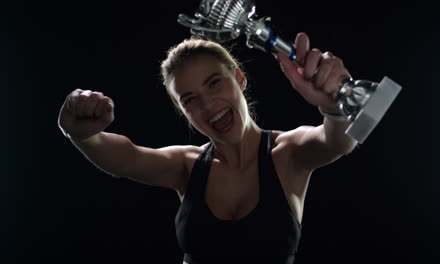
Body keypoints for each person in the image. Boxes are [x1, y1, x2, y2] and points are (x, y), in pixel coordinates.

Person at [58, 32, 358, 264]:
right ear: (182, 111)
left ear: (239, 78)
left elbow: (337, 141)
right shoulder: (186, 165)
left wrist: (334, 107)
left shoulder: (287, 152)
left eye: (214, 83)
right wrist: (80, 134)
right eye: (189, 99)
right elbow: (127, 159)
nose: (207, 105)